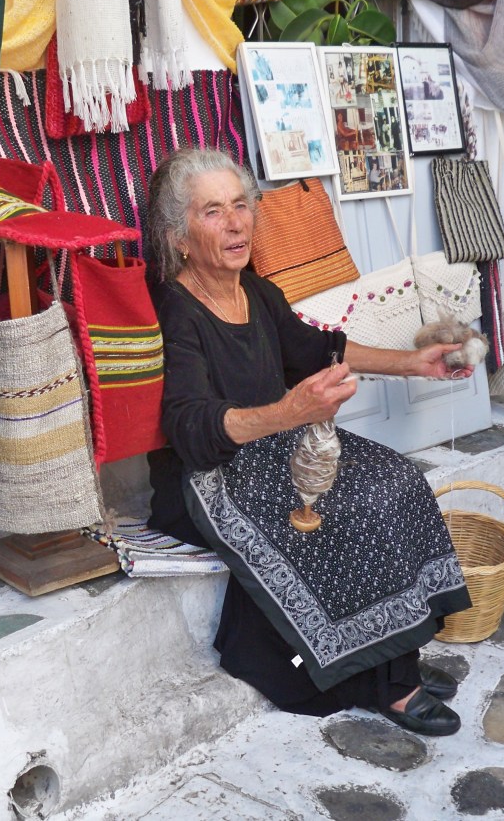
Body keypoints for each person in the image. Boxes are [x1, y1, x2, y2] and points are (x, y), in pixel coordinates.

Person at [145, 148, 474, 737]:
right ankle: (389, 683)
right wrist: (289, 411)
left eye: (242, 206)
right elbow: (191, 428)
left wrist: (413, 363)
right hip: (208, 480)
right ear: (180, 238)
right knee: (342, 508)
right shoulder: (177, 313)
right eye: (214, 212)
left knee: (395, 478)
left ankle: (394, 653)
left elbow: (317, 348)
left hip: (274, 450)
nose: (237, 223)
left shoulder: (258, 293)